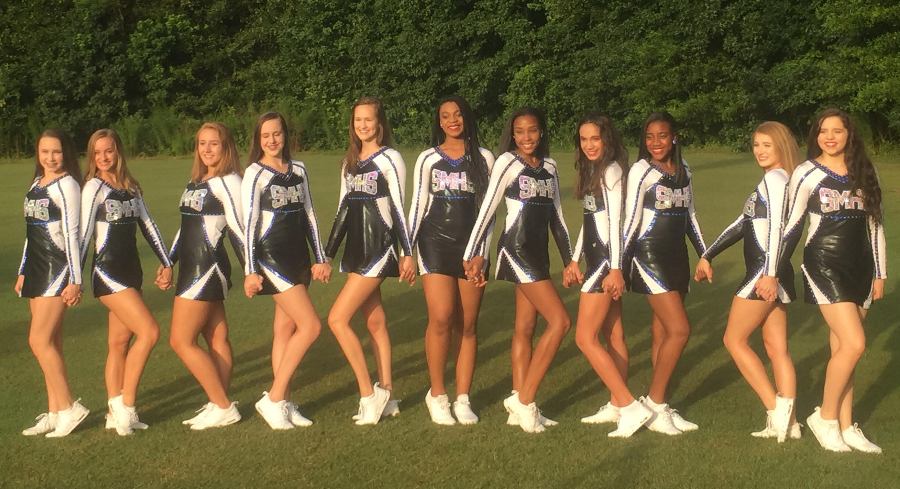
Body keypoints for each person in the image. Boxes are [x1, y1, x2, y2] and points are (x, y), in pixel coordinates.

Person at [781, 108, 886, 454]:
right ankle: (825, 418)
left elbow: (875, 226)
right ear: (816, 136)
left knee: (844, 351)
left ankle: (846, 424)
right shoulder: (807, 172)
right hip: (823, 263)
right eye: (824, 131)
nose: (830, 137)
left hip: (862, 268)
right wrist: (773, 269)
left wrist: (880, 273)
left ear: (848, 135)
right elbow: (792, 225)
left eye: (837, 131)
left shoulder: (864, 172)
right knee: (855, 344)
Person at [463, 107, 572, 433]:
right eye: (520, 131)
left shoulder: (550, 167)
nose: (526, 137)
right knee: (561, 322)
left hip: (539, 255)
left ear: (541, 133)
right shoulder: (507, 163)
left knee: (526, 327)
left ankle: (519, 403)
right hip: (516, 251)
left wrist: (569, 260)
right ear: (512, 135)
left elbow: (558, 218)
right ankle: (525, 400)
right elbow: (488, 208)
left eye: (532, 131)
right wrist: (472, 253)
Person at [694, 121, 800, 442]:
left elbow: (784, 229)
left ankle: (775, 412)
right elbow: (741, 224)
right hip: (772, 272)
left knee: (733, 340)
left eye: (767, 144)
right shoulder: (772, 181)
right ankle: (790, 424)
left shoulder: (776, 180)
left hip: (763, 274)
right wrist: (707, 254)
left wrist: (770, 274)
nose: (760, 151)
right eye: (756, 145)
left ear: (782, 146)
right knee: (776, 348)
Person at [324, 96, 415, 425]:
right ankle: (387, 394)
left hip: (380, 249)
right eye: (357, 120)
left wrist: (407, 253)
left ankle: (368, 393)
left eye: (368, 120)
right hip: (357, 252)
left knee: (337, 319)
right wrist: (328, 254)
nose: (363, 126)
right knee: (375, 323)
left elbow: (400, 210)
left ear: (380, 123)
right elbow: (342, 211)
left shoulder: (391, 159)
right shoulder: (349, 162)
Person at [563, 113, 652, 438]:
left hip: (606, 263)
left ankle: (630, 406)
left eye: (595, 139)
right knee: (614, 336)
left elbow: (615, 222)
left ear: (607, 140)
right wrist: (574, 259)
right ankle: (617, 404)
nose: (589, 145)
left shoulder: (612, 172)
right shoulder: (592, 170)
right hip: (599, 258)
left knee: (585, 338)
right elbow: (591, 222)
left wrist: (616, 269)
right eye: (584, 139)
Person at [408, 96, 494, 425]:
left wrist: (481, 254)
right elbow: (417, 205)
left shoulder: (484, 157)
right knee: (442, 318)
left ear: (466, 118)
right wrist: (407, 251)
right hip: (434, 244)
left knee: (467, 325)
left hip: (471, 249)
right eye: (445, 116)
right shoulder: (428, 158)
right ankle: (438, 394)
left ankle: (462, 397)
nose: (453, 120)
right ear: (439, 122)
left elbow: (489, 210)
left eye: (458, 114)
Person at [81, 128, 171, 436]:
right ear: (92, 156)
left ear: (118, 151)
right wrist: (74, 278)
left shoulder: (131, 187)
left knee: (119, 343)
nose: (104, 157)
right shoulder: (93, 187)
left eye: (109, 150)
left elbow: (148, 225)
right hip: (107, 272)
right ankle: (126, 407)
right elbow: (81, 236)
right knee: (149, 331)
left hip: (132, 272)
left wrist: (167, 261)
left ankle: (111, 411)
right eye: (98, 152)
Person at [242, 112, 328, 430]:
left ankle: (285, 403)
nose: (272, 140)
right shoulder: (254, 173)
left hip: (298, 257)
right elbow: (248, 222)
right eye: (266, 136)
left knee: (286, 330)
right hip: (271, 257)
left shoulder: (299, 169)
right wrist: (250, 270)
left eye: (277, 134)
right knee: (311, 326)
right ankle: (274, 398)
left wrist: (319, 257)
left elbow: (309, 213)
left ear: (285, 135)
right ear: (258, 140)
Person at [621, 112, 705, 435]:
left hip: (677, 258)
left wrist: (705, 255)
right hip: (649, 255)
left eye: (662, 136)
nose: (655, 142)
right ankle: (654, 404)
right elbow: (630, 221)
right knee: (681, 330)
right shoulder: (641, 171)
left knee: (663, 333)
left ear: (675, 138)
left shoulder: (685, 171)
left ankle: (662, 405)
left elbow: (691, 218)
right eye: (649, 137)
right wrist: (620, 267)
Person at [165, 122, 244, 430]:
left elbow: (239, 229)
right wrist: (167, 261)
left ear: (226, 147)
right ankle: (218, 402)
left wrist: (250, 270)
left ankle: (223, 405)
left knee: (181, 340)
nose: (207, 149)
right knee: (216, 337)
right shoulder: (196, 181)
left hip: (206, 267)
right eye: (202, 143)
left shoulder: (229, 181)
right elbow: (186, 228)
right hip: (190, 266)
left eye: (214, 143)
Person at [18, 129, 90, 438]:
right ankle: (54, 411)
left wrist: (75, 279)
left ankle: (70, 407)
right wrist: (22, 270)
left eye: (56, 152)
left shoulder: (68, 186)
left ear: (66, 153)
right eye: (45, 151)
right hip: (35, 269)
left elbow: (72, 234)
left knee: (38, 341)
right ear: (38, 153)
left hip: (55, 269)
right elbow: (31, 232)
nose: (50, 157)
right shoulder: (37, 183)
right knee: (51, 343)